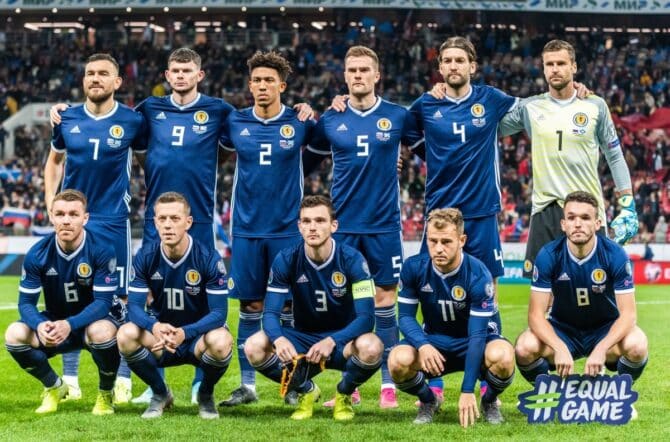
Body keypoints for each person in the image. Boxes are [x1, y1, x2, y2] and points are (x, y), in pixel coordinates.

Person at [308, 45, 422, 408]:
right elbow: (304, 157)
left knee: (386, 300)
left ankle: (389, 386)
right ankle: (351, 385)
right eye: (352, 70)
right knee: (347, 306)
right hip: (342, 226)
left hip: (384, 225)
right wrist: (305, 112)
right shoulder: (330, 119)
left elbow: (427, 147)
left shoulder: (398, 116)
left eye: (364, 70)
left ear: (377, 76)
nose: (358, 75)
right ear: (345, 77)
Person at [44, 53, 144, 404]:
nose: (95, 78)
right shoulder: (66, 117)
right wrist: (49, 203)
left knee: (122, 300)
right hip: (74, 219)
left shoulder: (133, 121)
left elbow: (152, 160)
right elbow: (54, 161)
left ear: (118, 82)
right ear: (83, 80)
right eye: (90, 73)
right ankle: (69, 380)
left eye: (103, 73)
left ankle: (124, 380)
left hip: (114, 221)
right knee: (68, 296)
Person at [219, 51, 317, 406]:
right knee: (250, 306)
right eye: (257, 80)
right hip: (246, 230)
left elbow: (323, 147)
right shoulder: (234, 121)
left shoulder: (300, 121)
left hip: (288, 231)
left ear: (282, 85)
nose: (262, 86)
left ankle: (292, 381)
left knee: (288, 308)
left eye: (269, 81)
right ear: (250, 85)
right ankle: (248, 386)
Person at [499, 39, 638, 278]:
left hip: (588, 210)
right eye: (549, 64)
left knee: (596, 290)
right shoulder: (531, 107)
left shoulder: (595, 105)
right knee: (543, 295)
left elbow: (615, 156)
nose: (555, 69)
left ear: (574, 67)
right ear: (542, 68)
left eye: (561, 63)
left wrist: (628, 205)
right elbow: (487, 127)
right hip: (545, 210)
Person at [243, 195, 382, 421]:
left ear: (333, 225)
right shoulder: (286, 259)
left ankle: (343, 394)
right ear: (299, 226)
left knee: (372, 346)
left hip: (342, 341)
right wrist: (278, 339)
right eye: (306, 221)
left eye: (320, 220)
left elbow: (367, 319)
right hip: (304, 338)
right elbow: (270, 313)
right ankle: (306, 389)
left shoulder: (353, 259)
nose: (312, 227)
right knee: (254, 346)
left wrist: (332, 341)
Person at [514, 191, 648, 406]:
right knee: (524, 347)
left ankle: (619, 398)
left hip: (605, 328)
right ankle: (551, 395)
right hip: (563, 329)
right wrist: (558, 346)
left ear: (597, 223)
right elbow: (535, 316)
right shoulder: (548, 255)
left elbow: (629, 315)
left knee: (637, 344)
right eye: (572, 217)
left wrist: (602, 348)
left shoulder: (614, 254)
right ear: (563, 224)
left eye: (585, 218)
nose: (578, 224)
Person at [388, 208, 515, 426]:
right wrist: (423, 345)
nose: (438, 249)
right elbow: (406, 318)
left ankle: (489, 401)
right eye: (432, 241)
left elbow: (477, 336)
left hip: (473, 342)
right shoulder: (413, 268)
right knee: (397, 361)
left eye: (446, 241)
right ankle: (429, 401)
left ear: (461, 240)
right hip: (435, 342)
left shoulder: (478, 274)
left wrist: (467, 391)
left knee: (504, 357)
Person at [4, 190, 120, 415]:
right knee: (14, 334)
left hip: (93, 322)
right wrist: (39, 324)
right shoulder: (37, 254)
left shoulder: (102, 249)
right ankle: (54, 386)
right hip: (56, 322)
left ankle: (106, 394)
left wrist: (70, 324)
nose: (66, 220)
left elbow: (103, 303)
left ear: (84, 218)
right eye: (60, 214)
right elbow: (26, 304)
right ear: (51, 216)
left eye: (73, 214)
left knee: (103, 332)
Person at [117, 192, 231, 419]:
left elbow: (220, 313)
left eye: (175, 219)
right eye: (162, 219)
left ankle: (206, 395)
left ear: (188, 222)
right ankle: (160, 394)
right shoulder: (145, 256)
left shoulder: (208, 258)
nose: (168, 225)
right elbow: (135, 308)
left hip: (198, 338)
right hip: (162, 338)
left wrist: (185, 332)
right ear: (155, 222)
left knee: (222, 341)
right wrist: (155, 326)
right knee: (126, 335)